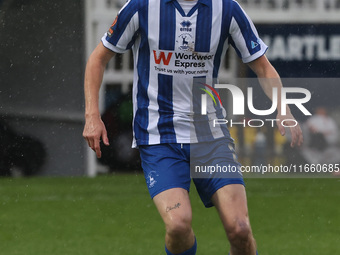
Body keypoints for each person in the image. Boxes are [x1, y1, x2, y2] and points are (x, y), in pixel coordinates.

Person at [83, 0, 303, 254]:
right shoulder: (142, 6)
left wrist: (283, 108)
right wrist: (92, 115)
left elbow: (263, 66)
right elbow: (98, 58)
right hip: (159, 137)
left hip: (211, 137)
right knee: (178, 225)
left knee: (240, 229)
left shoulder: (226, 9)